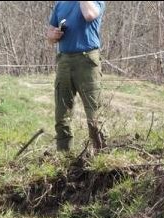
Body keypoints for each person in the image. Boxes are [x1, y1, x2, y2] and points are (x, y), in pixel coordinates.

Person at [46, 1, 107, 153]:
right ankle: (64, 156)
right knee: (62, 114)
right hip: (65, 60)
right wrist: (53, 35)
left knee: (94, 114)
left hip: (87, 60)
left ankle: (101, 155)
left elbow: (89, 15)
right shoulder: (60, 4)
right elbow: (50, 34)